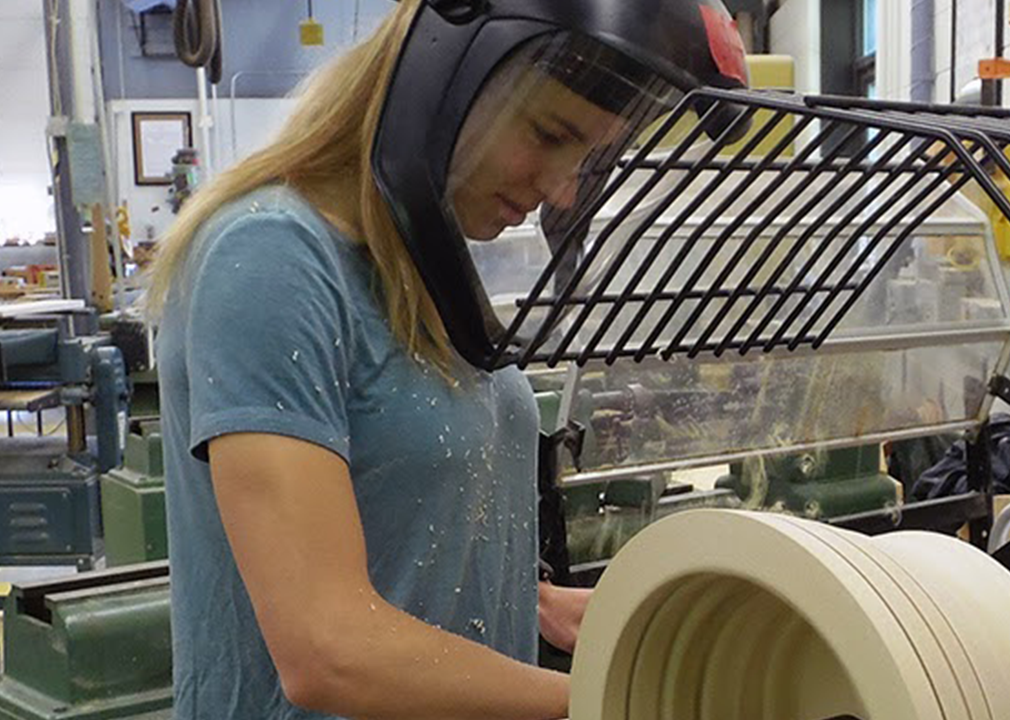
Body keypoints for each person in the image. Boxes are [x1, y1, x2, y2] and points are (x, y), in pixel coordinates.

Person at [145, 0, 747, 718]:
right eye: (548, 134)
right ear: (443, 74)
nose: (559, 189)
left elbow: (403, 518)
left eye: (585, 160)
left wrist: (540, 602)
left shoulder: (427, 264)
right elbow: (327, 648)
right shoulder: (271, 258)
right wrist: (618, 701)